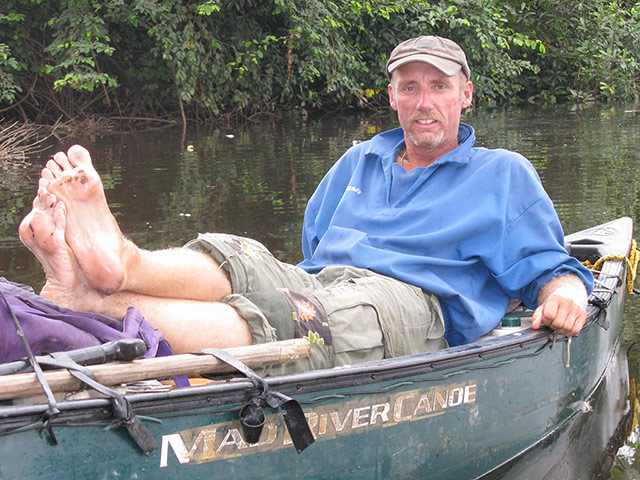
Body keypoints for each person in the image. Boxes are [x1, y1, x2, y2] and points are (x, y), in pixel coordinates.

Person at [18, 35, 593, 374]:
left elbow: (552, 268)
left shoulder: (501, 174)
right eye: (410, 88)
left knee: (305, 321)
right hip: (325, 278)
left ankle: (97, 304)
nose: (424, 103)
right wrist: (289, 278)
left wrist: (566, 297)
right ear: (391, 95)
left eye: (439, 87)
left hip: (414, 304)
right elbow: (309, 255)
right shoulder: (358, 162)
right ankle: (119, 264)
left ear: (464, 93)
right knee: (242, 256)